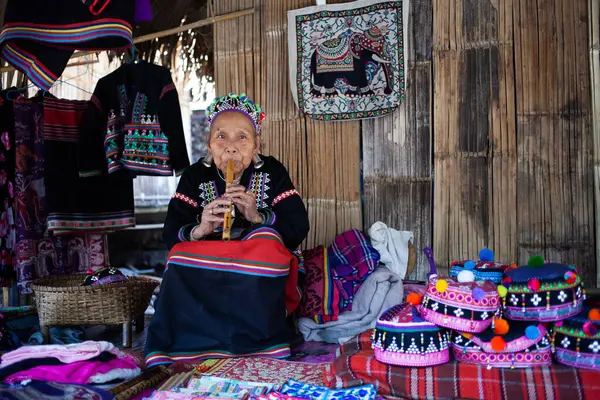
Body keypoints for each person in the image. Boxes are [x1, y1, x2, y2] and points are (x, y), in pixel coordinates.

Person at [145, 93, 310, 367]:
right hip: (212, 263)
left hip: (259, 262)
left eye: (242, 138)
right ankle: (190, 342)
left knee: (267, 239)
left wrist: (258, 217)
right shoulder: (194, 175)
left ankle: (259, 341)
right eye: (221, 137)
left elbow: (298, 227)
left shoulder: (272, 171)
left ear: (256, 145)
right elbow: (171, 233)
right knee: (179, 256)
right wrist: (200, 228)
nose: (231, 148)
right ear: (209, 144)